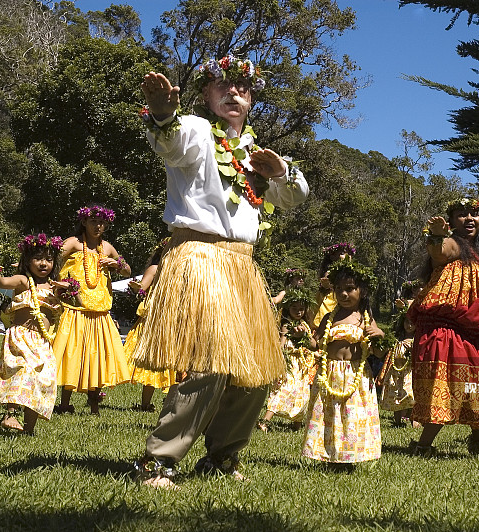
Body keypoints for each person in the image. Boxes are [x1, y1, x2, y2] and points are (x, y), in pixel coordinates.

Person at [132, 54, 308, 489]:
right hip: (201, 257)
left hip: (243, 266)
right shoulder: (194, 129)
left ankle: (222, 458)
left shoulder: (255, 153)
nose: (234, 92)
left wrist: (281, 171)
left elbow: (294, 197)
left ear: (252, 99)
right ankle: (159, 460)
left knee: (256, 370)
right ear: (206, 95)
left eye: (243, 87)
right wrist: (162, 113)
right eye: (222, 85)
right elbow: (170, 144)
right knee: (208, 363)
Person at [408, 198, 479, 456]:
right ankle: (423, 446)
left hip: (469, 330)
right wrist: (437, 236)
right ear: (452, 221)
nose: (470, 219)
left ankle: (478, 441)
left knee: (478, 383)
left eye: (475, 213)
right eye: (462, 214)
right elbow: (440, 252)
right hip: (445, 329)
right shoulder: (453, 244)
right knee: (447, 385)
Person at [0, 234, 70, 434]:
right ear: (27, 260)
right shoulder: (23, 281)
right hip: (21, 337)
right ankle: (10, 415)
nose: (43, 263)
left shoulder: (55, 286)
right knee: (21, 373)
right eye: (38, 258)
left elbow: (77, 303)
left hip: (42, 342)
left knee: (41, 380)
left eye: (49, 259)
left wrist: (70, 290)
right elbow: (2, 282)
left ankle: (28, 429)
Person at [302, 259, 384, 467]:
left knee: (352, 416)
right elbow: (316, 343)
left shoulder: (365, 318)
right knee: (330, 415)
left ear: (362, 291)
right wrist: (303, 336)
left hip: (356, 375)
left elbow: (378, 351)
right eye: (338, 289)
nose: (343, 294)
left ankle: (349, 456)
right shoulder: (329, 317)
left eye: (350, 289)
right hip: (330, 374)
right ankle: (329, 455)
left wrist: (380, 334)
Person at [52, 205, 132, 415]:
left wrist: (116, 264)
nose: (98, 226)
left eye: (102, 223)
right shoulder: (73, 243)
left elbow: (127, 270)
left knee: (97, 356)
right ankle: (64, 404)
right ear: (84, 222)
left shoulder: (108, 248)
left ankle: (94, 406)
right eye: (94, 222)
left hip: (100, 311)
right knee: (72, 353)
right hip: (76, 308)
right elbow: (52, 259)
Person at [125, 238, 177, 412]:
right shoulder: (155, 269)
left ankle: (172, 403)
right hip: (154, 322)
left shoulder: (179, 270)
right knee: (152, 363)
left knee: (173, 365)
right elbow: (142, 287)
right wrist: (136, 287)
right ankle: (145, 404)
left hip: (173, 320)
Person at [259, 288, 316, 432]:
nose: (298, 311)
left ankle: (296, 425)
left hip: (302, 366)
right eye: (294, 308)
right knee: (283, 389)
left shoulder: (305, 324)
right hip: (290, 363)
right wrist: (279, 359)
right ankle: (265, 421)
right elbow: (282, 343)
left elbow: (312, 344)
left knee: (302, 393)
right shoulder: (287, 325)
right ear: (288, 308)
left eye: (301, 309)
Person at [376, 313, 416, 427]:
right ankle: (397, 422)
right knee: (395, 396)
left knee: (410, 395)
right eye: (406, 322)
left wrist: (412, 350)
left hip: (409, 373)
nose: (409, 325)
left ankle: (413, 420)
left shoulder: (416, 340)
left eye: (412, 323)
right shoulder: (397, 338)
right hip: (395, 372)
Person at [313, 243, 357, 328]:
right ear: (333, 257)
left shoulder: (353, 272)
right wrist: (327, 284)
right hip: (330, 301)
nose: (347, 256)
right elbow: (326, 282)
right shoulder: (330, 272)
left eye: (349, 253)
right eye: (342, 253)